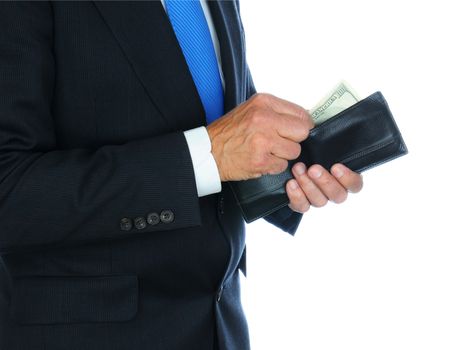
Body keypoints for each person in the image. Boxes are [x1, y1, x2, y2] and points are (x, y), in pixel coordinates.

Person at [0, 1, 363, 349]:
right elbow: (8, 187)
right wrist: (208, 154)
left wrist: (292, 169)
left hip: (220, 325)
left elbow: (215, 119)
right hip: (86, 334)